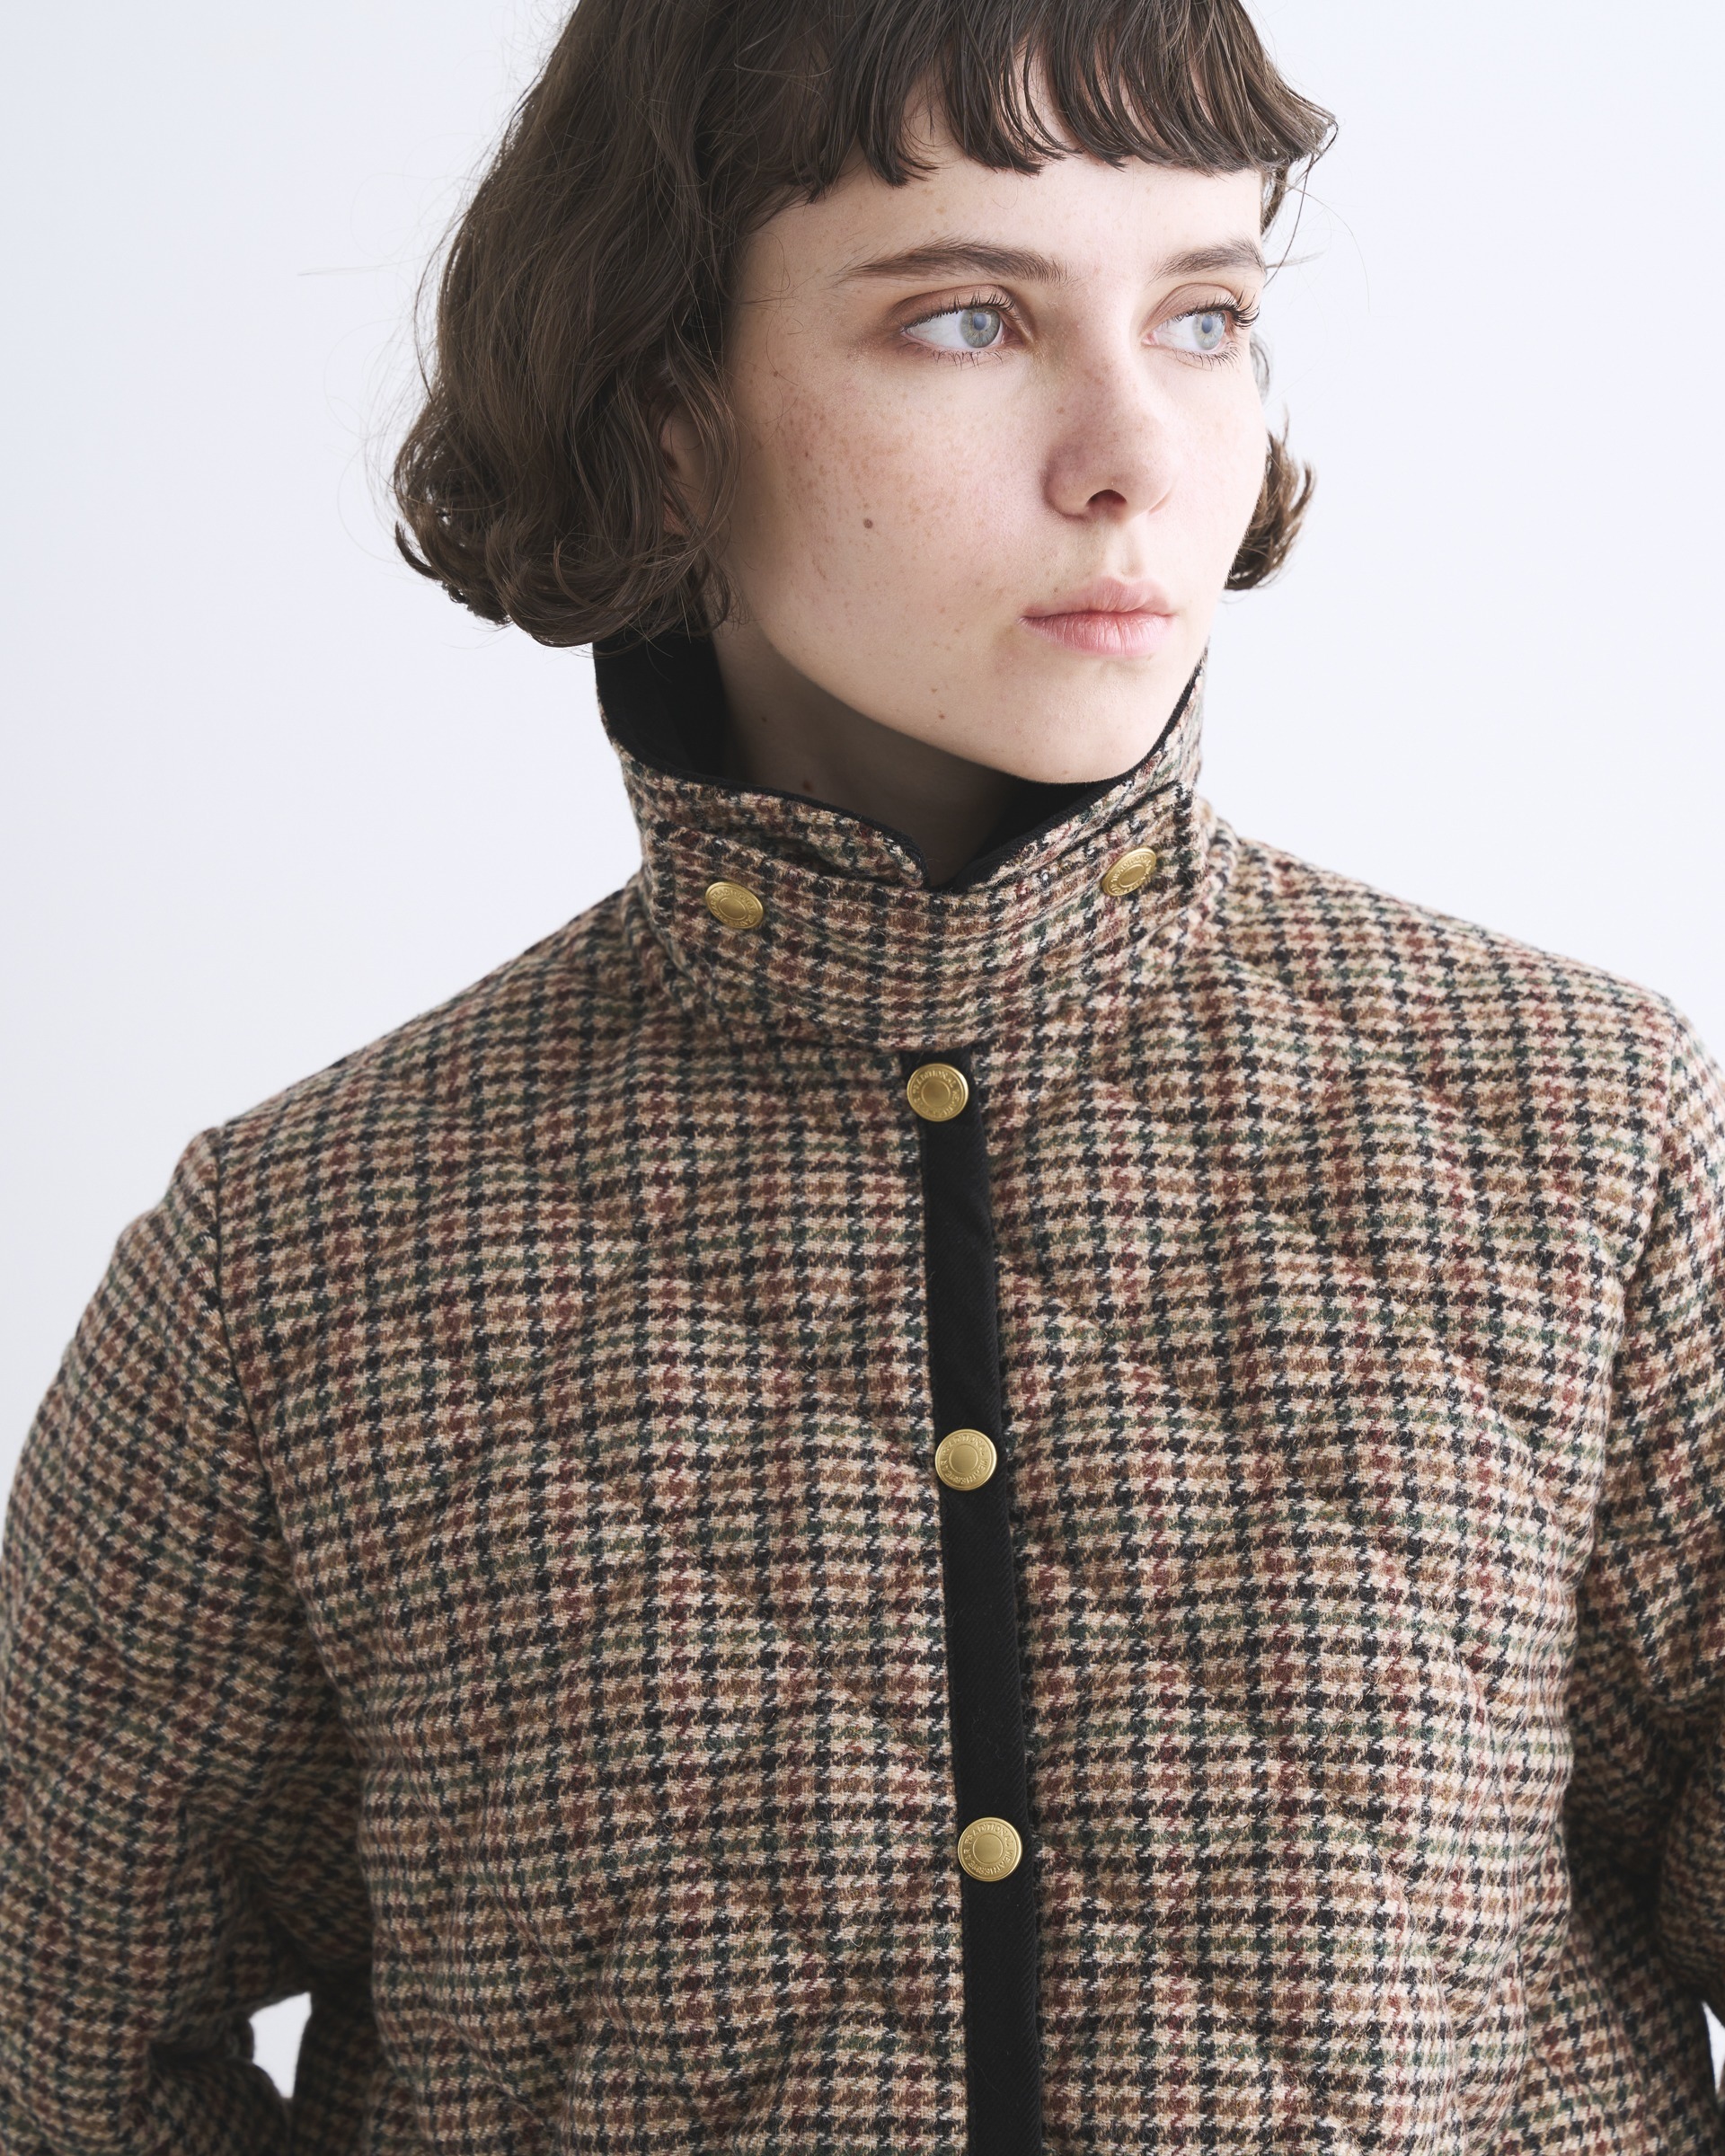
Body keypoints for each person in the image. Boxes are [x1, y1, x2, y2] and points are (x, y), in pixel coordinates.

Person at [3, 0, 1723, 2148]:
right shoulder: (298, 1267)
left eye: (1204, 318)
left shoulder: (1586, 1140)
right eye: (968, 320)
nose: (1134, 452)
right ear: (662, 415)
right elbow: (58, 2054)